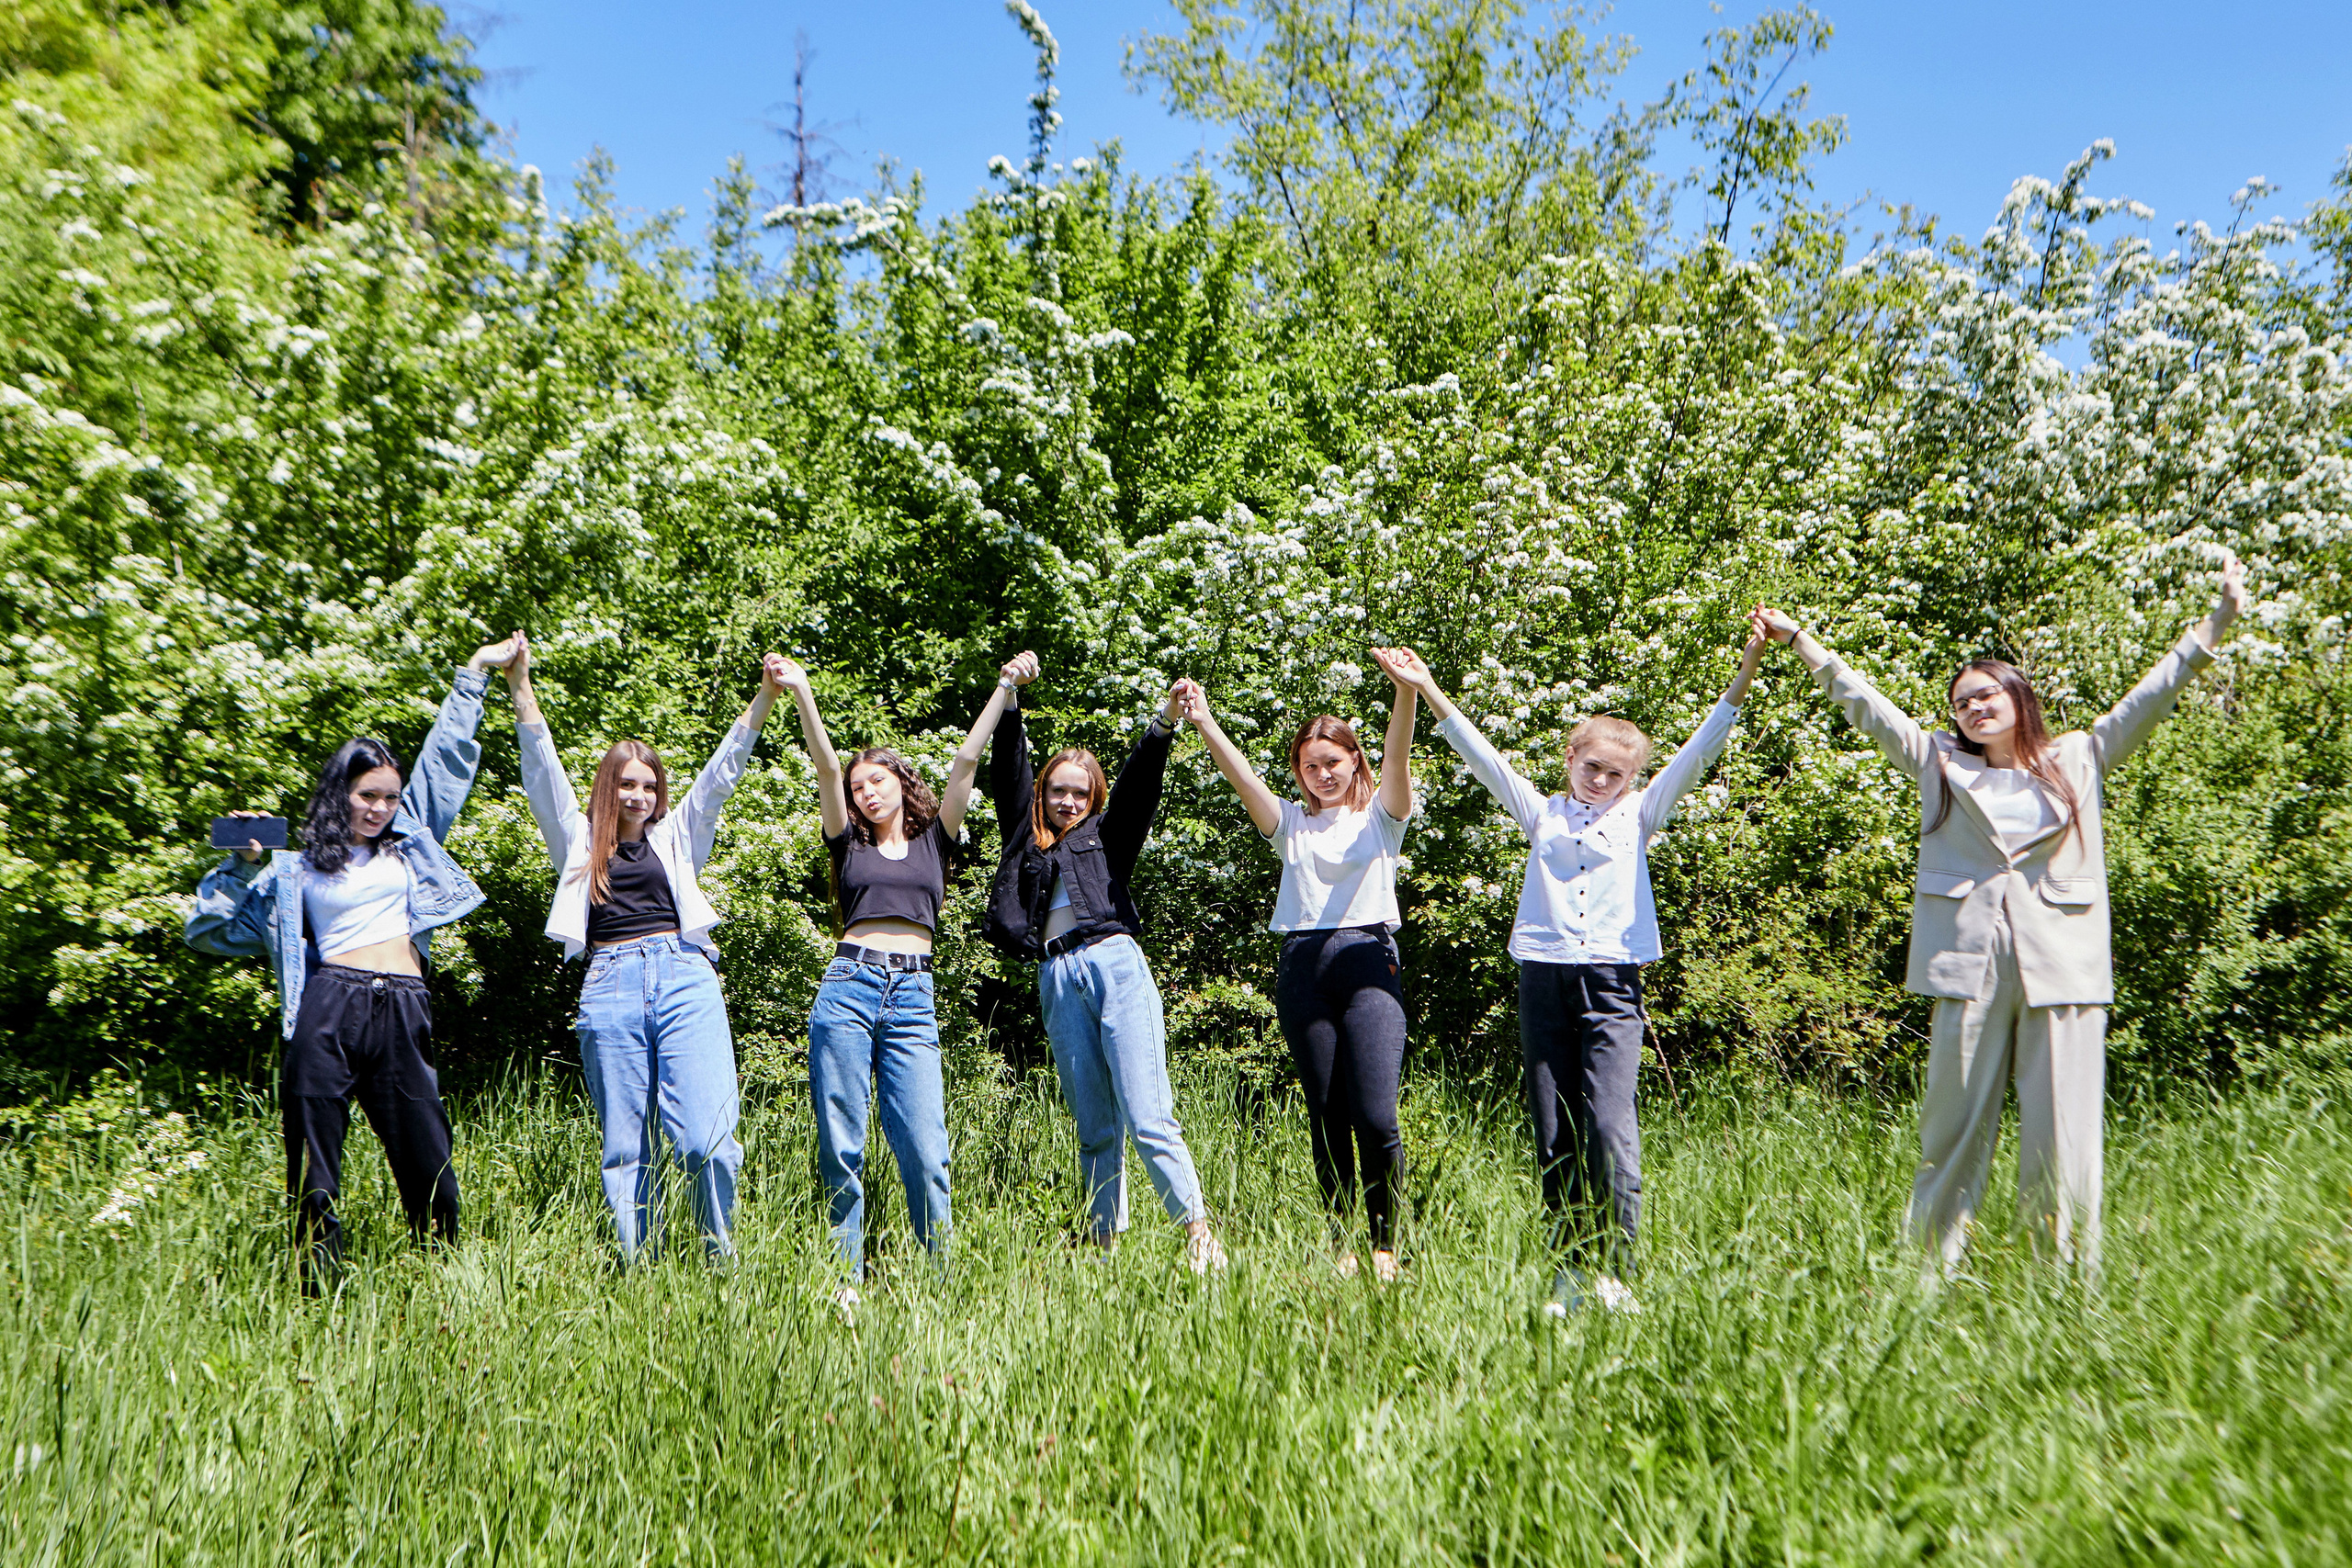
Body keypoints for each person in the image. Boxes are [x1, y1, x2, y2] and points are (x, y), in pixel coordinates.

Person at [1753, 555, 2247, 1274]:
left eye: (1986, 694)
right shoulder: (1938, 765)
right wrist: (1803, 641)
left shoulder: (2079, 756)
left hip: (2064, 963)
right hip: (1970, 962)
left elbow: (2152, 695)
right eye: (1961, 702)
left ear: (2018, 697)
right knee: (1952, 1125)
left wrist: (2218, 621)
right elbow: (1865, 704)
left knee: (2065, 1134)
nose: (1974, 708)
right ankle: (1930, 1274)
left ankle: (2065, 1280)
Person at [1381, 639, 1764, 1314]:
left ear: (1630, 779)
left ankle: (1617, 1269)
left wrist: (1748, 666)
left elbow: (1703, 746)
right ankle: (1569, 1267)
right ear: (1570, 759)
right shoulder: (1542, 812)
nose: (1602, 782)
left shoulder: (1640, 814)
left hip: (1612, 984)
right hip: (1544, 979)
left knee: (1611, 1125)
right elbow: (1482, 758)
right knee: (1553, 1127)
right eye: (1592, 768)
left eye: (1616, 775)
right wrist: (1429, 686)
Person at [185, 636, 521, 1289]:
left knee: (426, 1149)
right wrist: (239, 863)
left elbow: (446, 761)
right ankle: (321, 1288)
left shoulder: (410, 841)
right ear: (341, 792)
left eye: (390, 797)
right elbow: (209, 931)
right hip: (328, 1003)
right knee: (313, 1155)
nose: (380, 807)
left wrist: (475, 674)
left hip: (401, 1001)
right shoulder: (296, 866)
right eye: (369, 795)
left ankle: (445, 1276)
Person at [505, 634, 787, 1262]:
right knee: (627, 1146)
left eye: (649, 784)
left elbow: (722, 773)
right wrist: (521, 686)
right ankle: (643, 1272)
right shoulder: (578, 842)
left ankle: (722, 1264)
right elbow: (542, 773)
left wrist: (764, 697)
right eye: (626, 783)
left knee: (707, 1140)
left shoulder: (679, 833)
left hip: (685, 976)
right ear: (608, 787)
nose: (638, 794)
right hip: (609, 983)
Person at [779, 656, 1013, 1315]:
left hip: (914, 998)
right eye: (858, 788)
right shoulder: (845, 844)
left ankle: (939, 1288)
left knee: (926, 1150)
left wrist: (1002, 688)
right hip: (849, 988)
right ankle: (844, 1281)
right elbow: (824, 765)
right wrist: (802, 691)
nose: (865, 792)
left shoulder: (935, 842)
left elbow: (966, 761)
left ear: (900, 783)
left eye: (876, 780)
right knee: (842, 1143)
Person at [983, 654, 1227, 1272]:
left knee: (1147, 1114)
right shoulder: (1027, 838)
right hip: (1057, 975)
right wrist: (1010, 695)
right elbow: (1007, 767)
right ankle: (1103, 1247)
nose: (1067, 800)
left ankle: (1199, 1232)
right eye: (1057, 789)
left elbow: (1139, 785)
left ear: (1091, 798)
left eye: (1079, 791)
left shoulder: (1107, 835)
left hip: (1114, 963)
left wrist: (1165, 722)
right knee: (1093, 1122)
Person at [1180, 657, 1419, 1281]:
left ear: (1353, 761)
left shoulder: (1381, 819)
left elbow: (1397, 762)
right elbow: (1243, 779)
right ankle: (1343, 1241)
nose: (1322, 775)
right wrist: (1203, 720)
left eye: (1333, 763)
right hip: (1303, 967)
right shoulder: (1290, 824)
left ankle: (1386, 1243)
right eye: (1310, 767)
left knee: (1375, 1112)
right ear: (1300, 772)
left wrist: (1406, 692)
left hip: (1369, 957)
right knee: (1325, 1109)